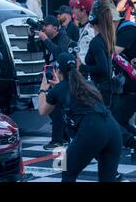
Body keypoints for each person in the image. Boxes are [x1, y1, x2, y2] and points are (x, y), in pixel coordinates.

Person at [38, 52, 122, 182]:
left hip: (92, 130)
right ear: (76, 68)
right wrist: (58, 87)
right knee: (107, 179)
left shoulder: (58, 89)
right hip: (113, 129)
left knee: (67, 172)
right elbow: (71, 95)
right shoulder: (89, 84)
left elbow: (42, 110)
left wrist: (43, 89)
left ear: (58, 71)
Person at [28, 15, 71, 149]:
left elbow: (60, 53)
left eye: (46, 26)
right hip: (51, 74)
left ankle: (58, 139)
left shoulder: (63, 37)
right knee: (54, 108)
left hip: (63, 77)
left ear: (55, 28)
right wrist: (30, 36)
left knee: (56, 108)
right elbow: (32, 49)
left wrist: (45, 39)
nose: (43, 28)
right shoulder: (46, 38)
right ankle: (63, 137)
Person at [79, 1, 114, 107]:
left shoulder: (96, 42)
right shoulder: (106, 38)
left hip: (100, 89)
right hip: (106, 88)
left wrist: (82, 68)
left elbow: (103, 68)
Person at [112, 9, 136, 151]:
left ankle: (131, 142)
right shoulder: (125, 29)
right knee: (121, 120)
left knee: (119, 120)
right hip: (129, 84)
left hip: (132, 84)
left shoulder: (127, 30)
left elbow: (113, 52)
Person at [70, 0, 95, 64]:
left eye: (76, 8)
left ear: (83, 11)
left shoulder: (89, 32)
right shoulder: (83, 28)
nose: (73, 10)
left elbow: (83, 61)